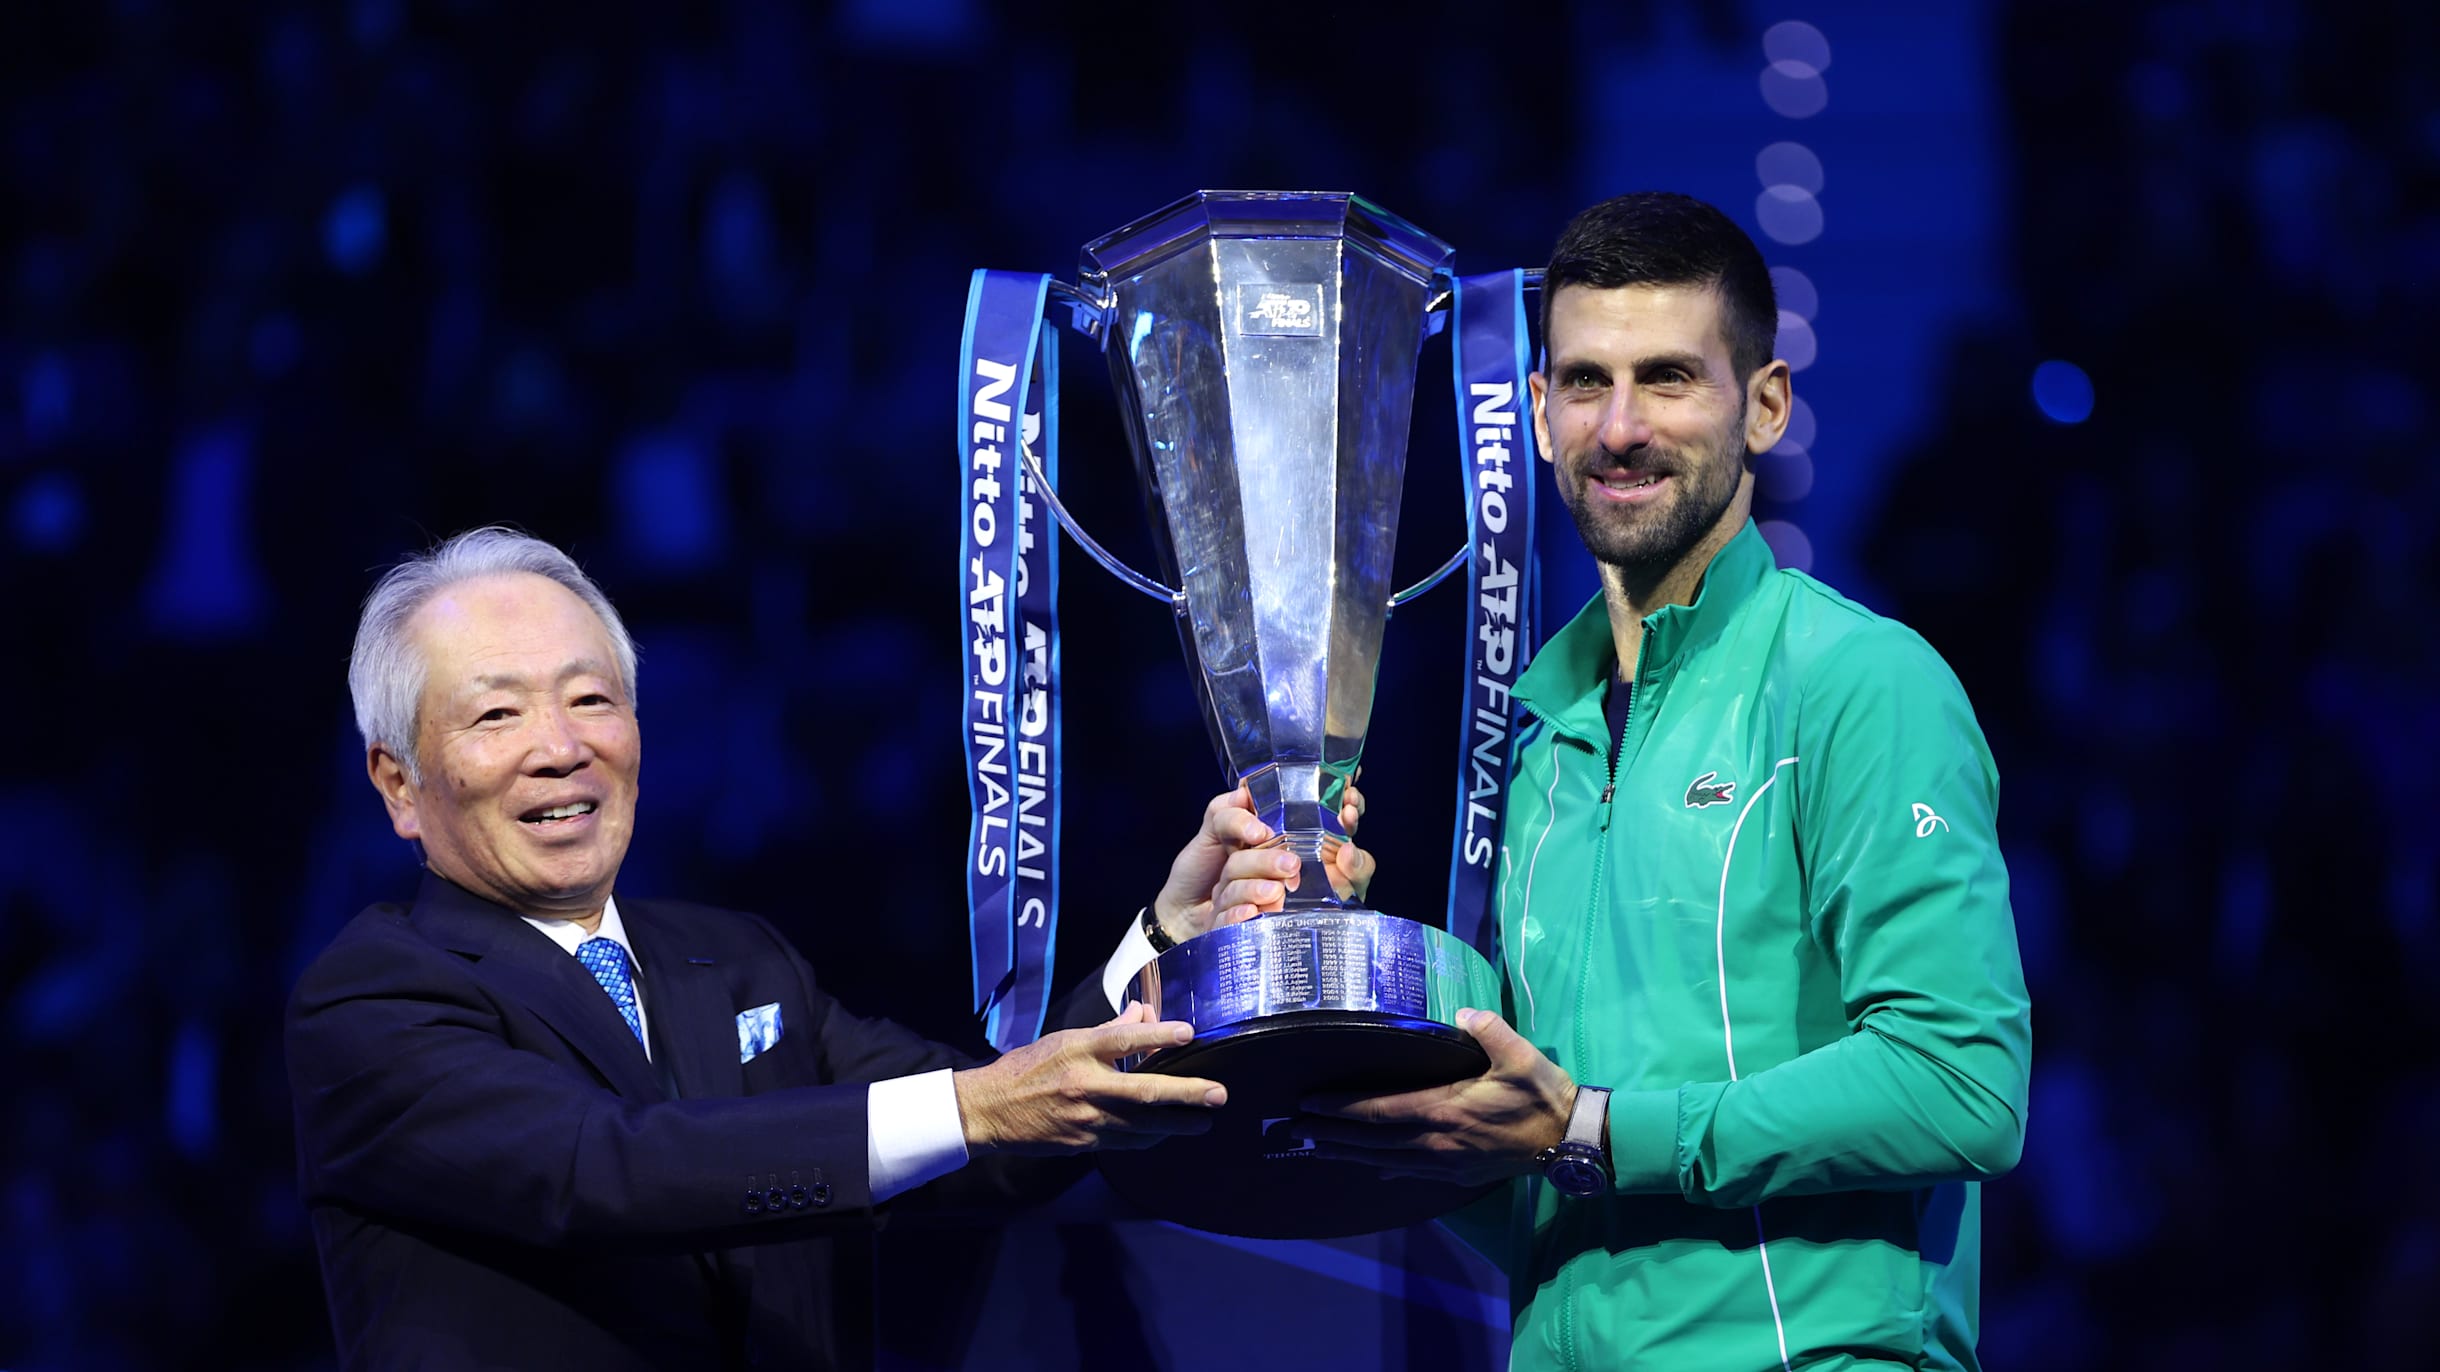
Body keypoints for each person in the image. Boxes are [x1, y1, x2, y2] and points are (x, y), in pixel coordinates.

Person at [286, 527, 1356, 1371]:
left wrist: (1169, 945)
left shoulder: (737, 960)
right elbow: (606, 1170)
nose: (561, 747)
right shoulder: (374, 1001)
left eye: (591, 698)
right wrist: (980, 1107)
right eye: (497, 715)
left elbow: (994, 1134)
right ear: (398, 785)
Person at [1273, 193, 2035, 1370]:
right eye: (1584, 381)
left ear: (1765, 405)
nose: (1619, 426)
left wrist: (1591, 1130)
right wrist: (1353, 1040)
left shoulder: (1860, 683)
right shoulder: (1535, 735)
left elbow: (1960, 1084)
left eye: (1669, 377)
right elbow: (1539, 1177)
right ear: (1536, 411)